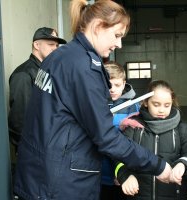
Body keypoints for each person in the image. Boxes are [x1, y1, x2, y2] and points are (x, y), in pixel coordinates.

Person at [13, 1, 171, 200]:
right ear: (97, 27)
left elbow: (61, 115)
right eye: (117, 35)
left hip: (37, 174)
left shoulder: (58, 57)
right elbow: (106, 138)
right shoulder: (85, 67)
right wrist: (158, 165)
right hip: (62, 183)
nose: (119, 44)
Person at [115, 80, 187, 199]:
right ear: (146, 102)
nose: (162, 110)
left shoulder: (182, 130)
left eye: (167, 105)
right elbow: (117, 156)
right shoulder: (133, 126)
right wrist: (125, 176)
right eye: (156, 104)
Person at [8, 27, 66, 149]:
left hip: (49, 146)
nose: (55, 49)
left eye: (56, 45)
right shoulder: (23, 74)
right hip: (33, 150)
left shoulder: (48, 70)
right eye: (51, 44)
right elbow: (19, 120)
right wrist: (30, 148)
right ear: (36, 45)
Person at [100, 61, 140, 200]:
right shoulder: (94, 101)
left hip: (123, 170)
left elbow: (136, 137)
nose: (112, 89)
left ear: (124, 83)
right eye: (108, 84)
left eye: (117, 85)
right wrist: (118, 121)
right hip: (98, 171)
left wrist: (124, 173)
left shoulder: (133, 106)